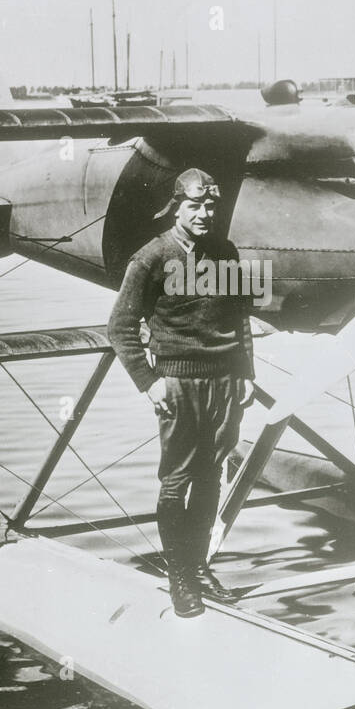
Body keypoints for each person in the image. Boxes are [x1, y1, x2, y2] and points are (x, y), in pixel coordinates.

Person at [107, 168, 255, 617]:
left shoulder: (223, 251)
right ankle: (180, 579)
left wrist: (246, 371)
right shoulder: (151, 257)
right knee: (177, 481)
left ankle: (198, 567)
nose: (205, 214)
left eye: (211, 206)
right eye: (195, 206)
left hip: (225, 382)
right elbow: (119, 327)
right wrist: (148, 382)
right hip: (178, 384)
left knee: (211, 476)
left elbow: (239, 315)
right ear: (177, 207)